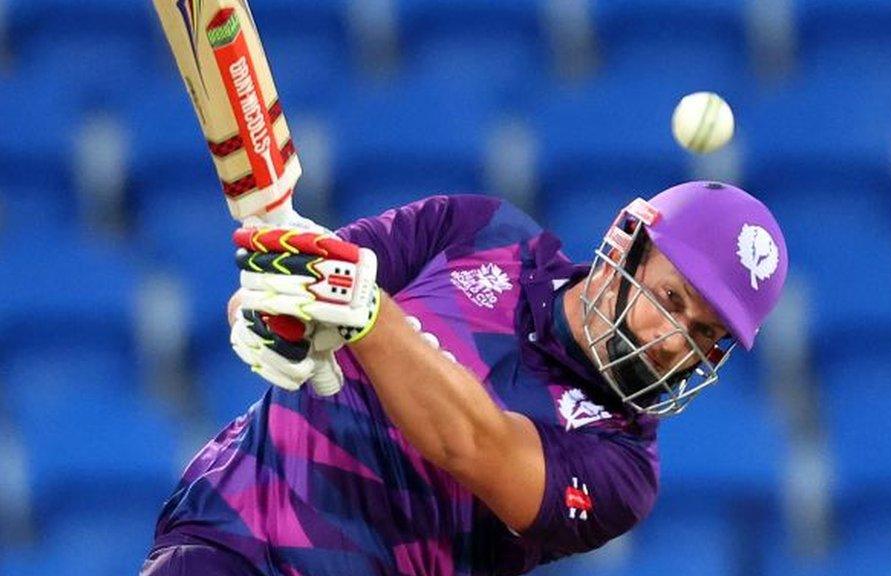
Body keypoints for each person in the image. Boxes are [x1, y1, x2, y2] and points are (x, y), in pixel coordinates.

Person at [139, 180, 788, 576]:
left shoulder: (622, 469)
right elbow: (292, 286)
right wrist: (270, 318)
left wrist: (367, 313)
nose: (673, 343)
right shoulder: (479, 230)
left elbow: (470, 445)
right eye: (671, 301)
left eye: (706, 335)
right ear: (624, 245)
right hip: (229, 539)